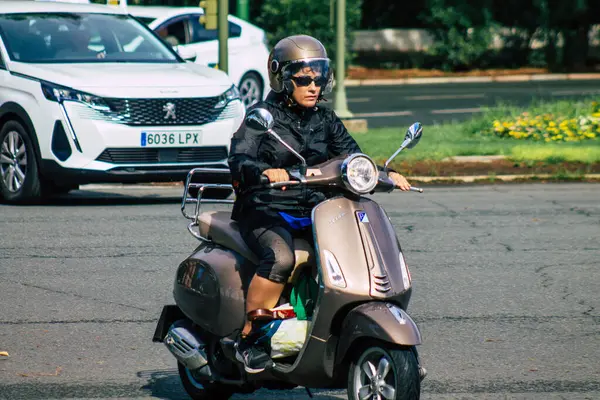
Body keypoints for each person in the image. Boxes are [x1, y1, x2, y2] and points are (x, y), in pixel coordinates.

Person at [228, 35, 412, 374]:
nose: (314, 86)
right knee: (282, 257)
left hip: (314, 208)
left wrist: (384, 173)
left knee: (352, 251)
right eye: (304, 79)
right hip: (267, 208)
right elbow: (239, 160)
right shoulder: (262, 117)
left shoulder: (325, 120)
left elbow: (352, 157)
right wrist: (264, 172)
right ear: (282, 78)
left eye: (319, 78)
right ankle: (250, 336)